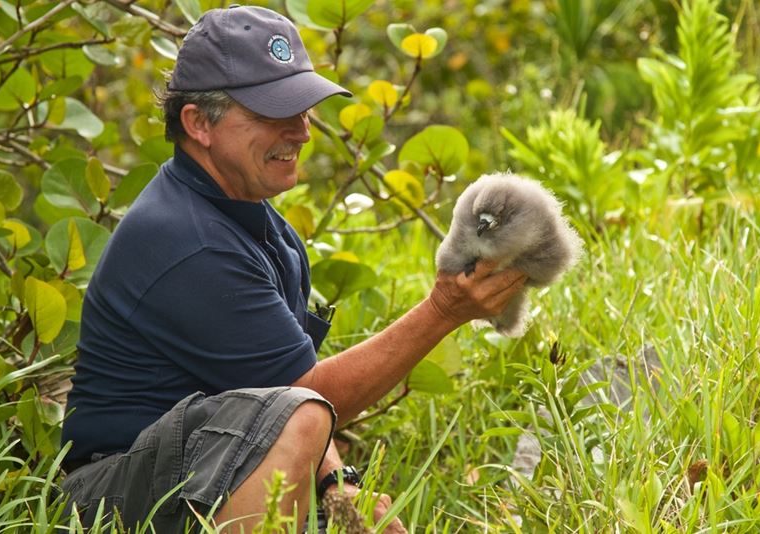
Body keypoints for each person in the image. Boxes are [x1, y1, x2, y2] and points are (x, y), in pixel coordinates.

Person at [60, 5, 528, 533]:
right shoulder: (187, 240)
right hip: (107, 498)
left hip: (196, 470)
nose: (302, 131)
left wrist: (336, 485)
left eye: (303, 109)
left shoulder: (260, 224)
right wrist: (443, 310)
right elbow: (304, 400)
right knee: (301, 413)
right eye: (272, 113)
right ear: (198, 123)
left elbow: (275, 391)